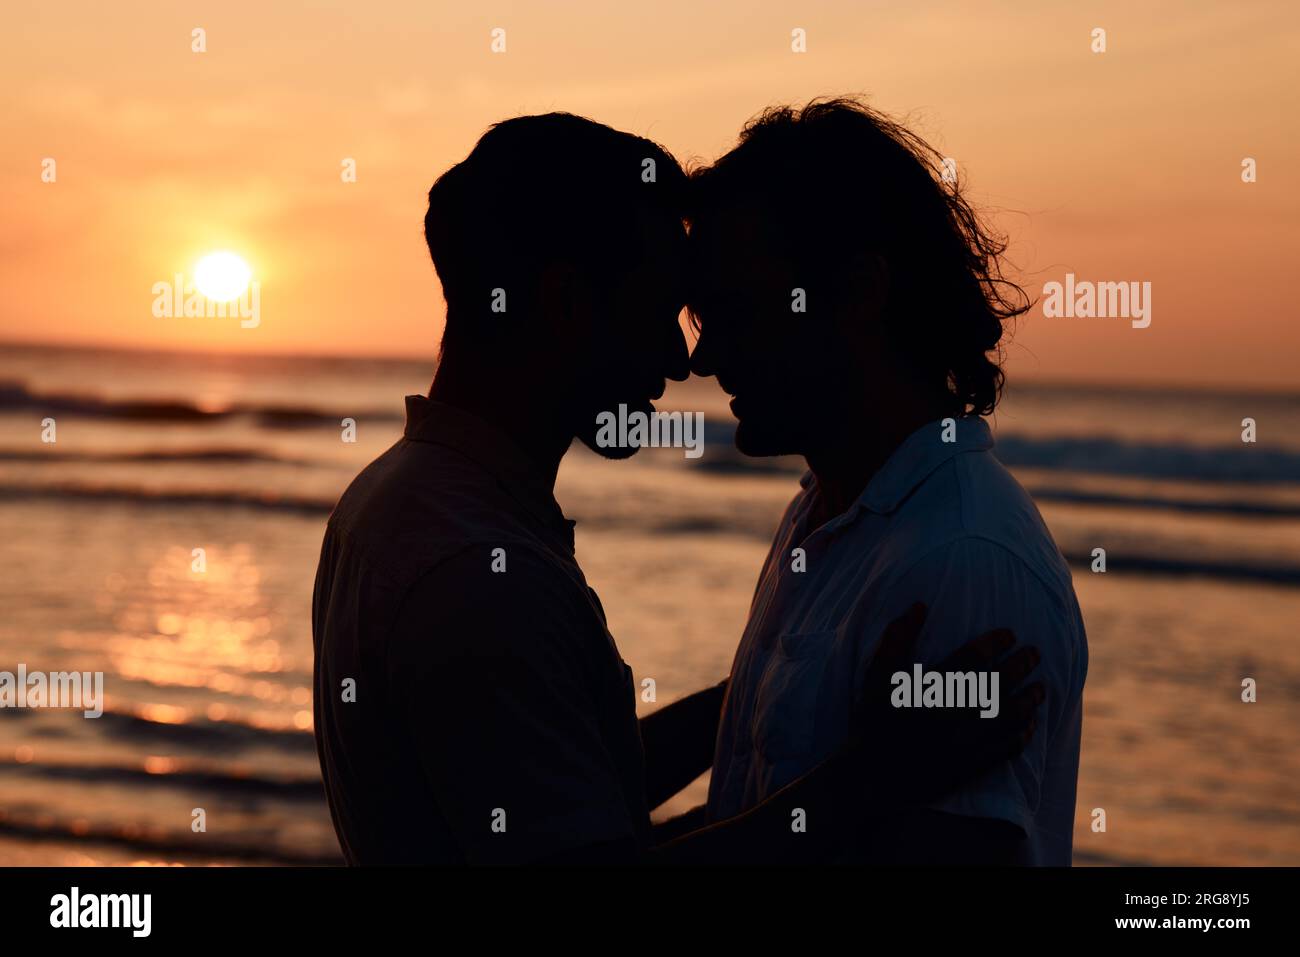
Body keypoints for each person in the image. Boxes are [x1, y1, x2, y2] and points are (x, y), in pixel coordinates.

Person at [311, 112, 1040, 865]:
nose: (681, 358)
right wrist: (872, 776)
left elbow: (560, 776)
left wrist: (790, 694)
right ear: (566, 304)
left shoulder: (395, 500)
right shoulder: (480, 571)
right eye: (660, 312)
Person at [686, 98, 1089, 865]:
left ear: (860, 293)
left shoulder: (959, 560)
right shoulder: (826, 516)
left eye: (735, 311)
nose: (705, 361)